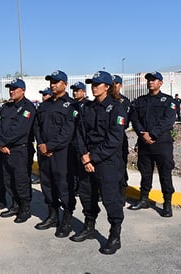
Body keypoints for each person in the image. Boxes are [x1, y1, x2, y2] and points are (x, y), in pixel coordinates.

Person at [70, 71, 126, 255]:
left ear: (107, 87)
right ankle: (89, 227)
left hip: (107, 161)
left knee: (111, 199)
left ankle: (115, 235)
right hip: (87, 159)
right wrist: (84, 156)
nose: (94, 87)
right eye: (92, 84)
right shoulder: (87, 108)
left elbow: (115, 139)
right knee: (87, 195)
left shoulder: (116, 108)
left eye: (97, 84)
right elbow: (80, 134)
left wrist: (92, 157)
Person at [33, 70, 77, 238]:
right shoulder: (44, 105)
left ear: (65, 84)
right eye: (51, 81)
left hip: (62, 153)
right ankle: (52, 215)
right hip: (44, 152)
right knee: (47, 184)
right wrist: (42, 144)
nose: (53, 84)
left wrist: (50, 146)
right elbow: (37, 126)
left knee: (64, 186)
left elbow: (68, 130)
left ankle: (66, 219)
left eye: (57, 82)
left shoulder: (71, 105)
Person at [129, 71, 176, 217]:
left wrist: (153, 134)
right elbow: (134, 119)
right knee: (145, 173)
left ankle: (167, 203)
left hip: (162, 144)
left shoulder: (168, 101)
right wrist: (143, 133)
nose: (150, 82)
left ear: (160, 83)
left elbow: (168, 121)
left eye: (154, 80)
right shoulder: (140, 101)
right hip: (144, 143)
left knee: (165, 174)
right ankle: (144, 199)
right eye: (149, 79)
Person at [0, 78, 35, 223]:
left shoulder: (28, 107)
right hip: (5, 149)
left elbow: (20, 130)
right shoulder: (6, 107)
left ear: (23, 90)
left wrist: (2, 142)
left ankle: (25, 208)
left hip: (20, 150)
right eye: (10, 88)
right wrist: (1, 141)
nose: (11, 91)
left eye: (15, 88)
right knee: (8, 179)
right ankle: (14, 205)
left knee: (21, 180)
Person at [113, 75, 131, 206]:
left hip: (120, 139)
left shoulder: (125, 102)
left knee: (121, 167)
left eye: (116, 84)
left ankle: (121, 193)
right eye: (112, 83)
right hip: (105, 141)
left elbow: (125, 123)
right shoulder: (104, 101)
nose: (114, 86)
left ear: (120, 85)